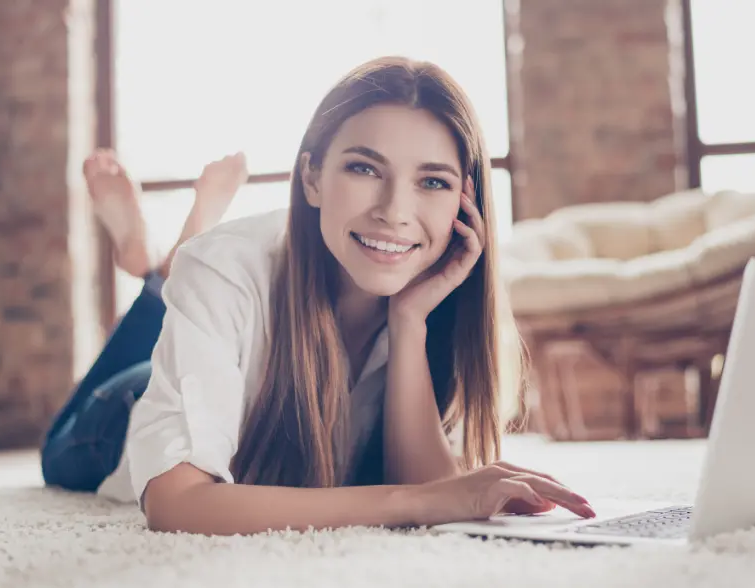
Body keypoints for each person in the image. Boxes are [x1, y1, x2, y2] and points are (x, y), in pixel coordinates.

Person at [40, 56, 597, 536]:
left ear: (465, 203)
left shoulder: (436, 298)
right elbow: (176, 502)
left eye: (433, 182)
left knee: (189, 282)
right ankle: (159, 273)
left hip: (216, 324)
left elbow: (433, 489)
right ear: (311, 178)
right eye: (363, 168)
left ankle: (164, 272)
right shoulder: (226, 266)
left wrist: (409, 324)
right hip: (119, 418)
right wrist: (416, 503)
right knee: (57, 450)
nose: (395, 211)